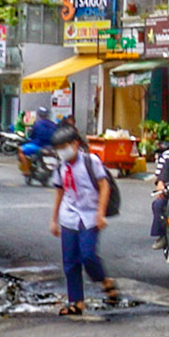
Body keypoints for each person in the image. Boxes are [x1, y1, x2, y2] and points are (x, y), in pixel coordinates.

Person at [48, 123, 115, 315]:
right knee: (70, 262)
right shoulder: (61, 166)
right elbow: (59, 192)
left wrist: (100, 212)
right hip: (68, 216)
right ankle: (76, 302)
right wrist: (54, 219)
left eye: (64, 147)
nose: (62, 151)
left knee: (88, 255)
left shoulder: (90, 162)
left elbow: (104, 186)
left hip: (90, 215)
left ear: (75, 144)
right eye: (59, 148)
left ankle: (104, 280)